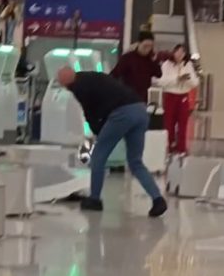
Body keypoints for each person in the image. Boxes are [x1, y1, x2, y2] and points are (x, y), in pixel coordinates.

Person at [57, 67, 167, 217]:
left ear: (66, 83)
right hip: (140, 110)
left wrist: (97, 131)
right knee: (135, 162)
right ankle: (158, 199)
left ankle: (94, 199)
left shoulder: (78, 88)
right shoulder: (93, 75)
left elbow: (89, 112)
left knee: (98, 157)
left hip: (122, 114)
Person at [154, 44, 199, 155]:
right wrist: (176, 79)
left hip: (183, 96)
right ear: (173, 52)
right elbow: (160, 81)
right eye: (178, 52)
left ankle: (181, 147)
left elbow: (195, 82)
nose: (180, 55)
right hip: (170, 95)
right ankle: (169, 145)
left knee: (183, 122)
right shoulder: (166, 65)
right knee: (169, 122)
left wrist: (186, 80)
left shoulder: (187, 65)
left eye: (182, 53)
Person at [111, 31, 162, 103]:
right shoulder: (128, 58)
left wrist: (155, 60)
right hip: (128, 98)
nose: (148, 49)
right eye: (145, 46)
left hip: (144, 99)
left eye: (150, 46)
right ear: (138, 43)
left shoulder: (150, 60)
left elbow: (159, 74)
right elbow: (114, 74)